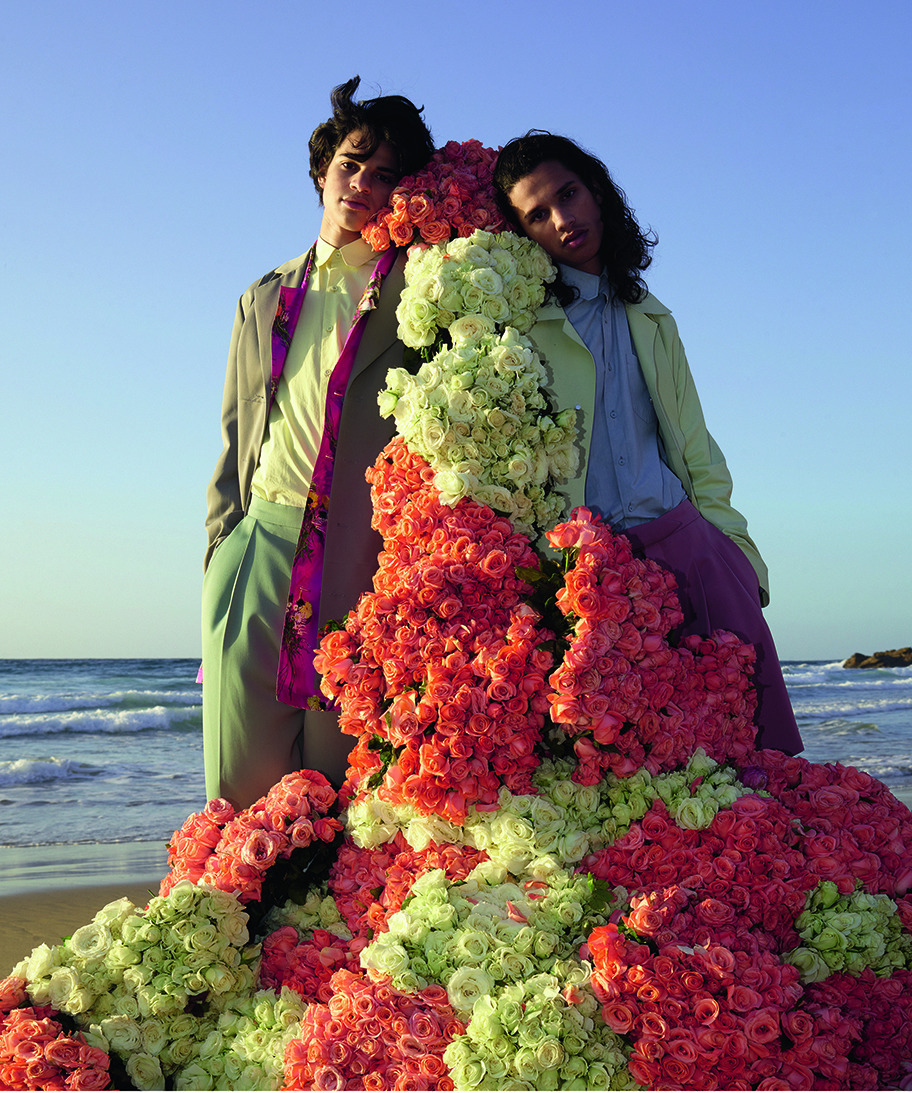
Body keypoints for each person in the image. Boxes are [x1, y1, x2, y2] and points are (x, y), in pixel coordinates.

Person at [492, 132, 802, 754]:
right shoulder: (519, 327)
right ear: (523, 235)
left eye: (569, 193)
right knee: (645, 785)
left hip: (689, 550)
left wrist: (733, 549)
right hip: (592, 578)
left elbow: (694, 443)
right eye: (537, 214)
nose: (562, 218)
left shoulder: (650, 313)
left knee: (750, 767)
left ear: (598, 192)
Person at [202, 77, 434, 809]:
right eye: (351, 163)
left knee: (346, 787)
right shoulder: (264, 294)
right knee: (240, 790)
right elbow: (236, 436)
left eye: (385, 176)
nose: (362, 184)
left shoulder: (421, 295)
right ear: (324, 169)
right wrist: (222, 554)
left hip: (361, 556)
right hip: (261, 542)